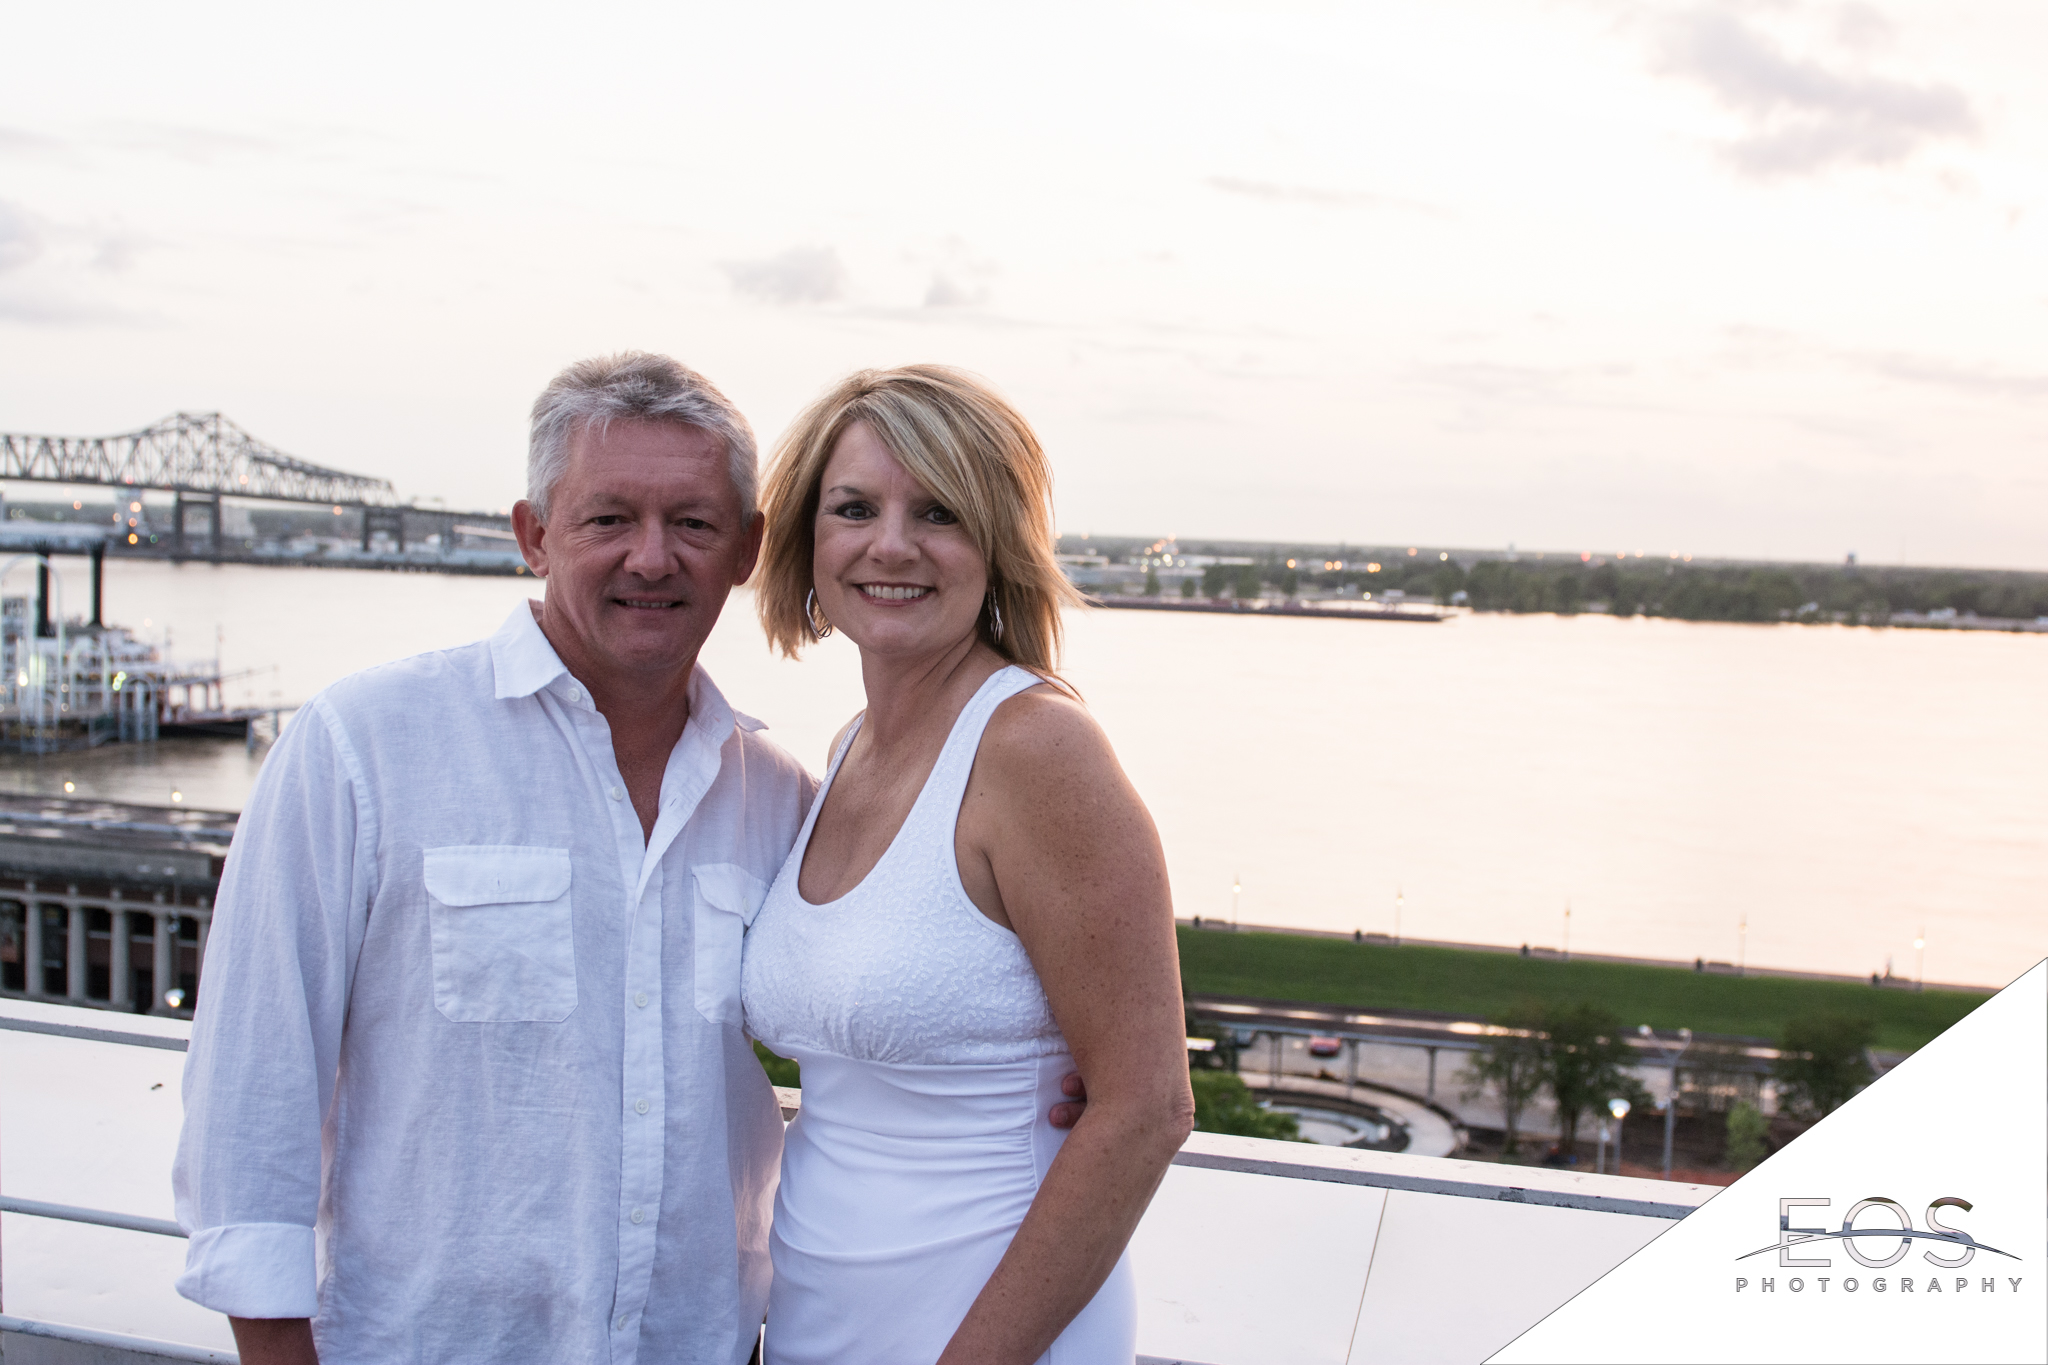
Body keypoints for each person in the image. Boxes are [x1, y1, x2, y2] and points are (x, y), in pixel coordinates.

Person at [172, 353, 815, 1365]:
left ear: (746, 549)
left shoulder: (780, 798)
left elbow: (877, 1014)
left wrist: (1054, 1075)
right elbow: (252, 1099)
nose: (652, 558)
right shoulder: (362, 745)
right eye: (609, 519)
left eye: (693, 523)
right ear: (534, 535)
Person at [741, 365, 1194, 1364]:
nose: (891, 544)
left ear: (998, 544)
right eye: (854, 508)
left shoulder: (1035, 749)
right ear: (807, 541)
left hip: (989, 1336)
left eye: (939, 512)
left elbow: (1147, 1107)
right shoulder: (850, 748)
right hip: (821, 1321)